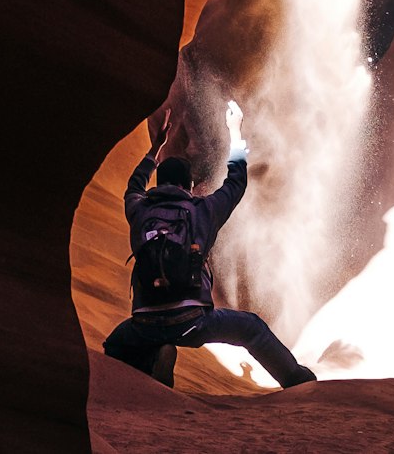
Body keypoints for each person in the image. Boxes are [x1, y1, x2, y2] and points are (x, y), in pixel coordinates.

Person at [103, 100, 316, 390]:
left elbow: (133, 186)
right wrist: (234, 133)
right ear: (188, 187)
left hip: (144, 323)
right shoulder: (203, 211)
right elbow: (236, 182)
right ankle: (299, 382)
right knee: (251, 329)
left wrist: (155, 150)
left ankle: (153, 361)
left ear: (158, 183)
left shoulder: (139, 211)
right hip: (192, 321)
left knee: (115, 345)